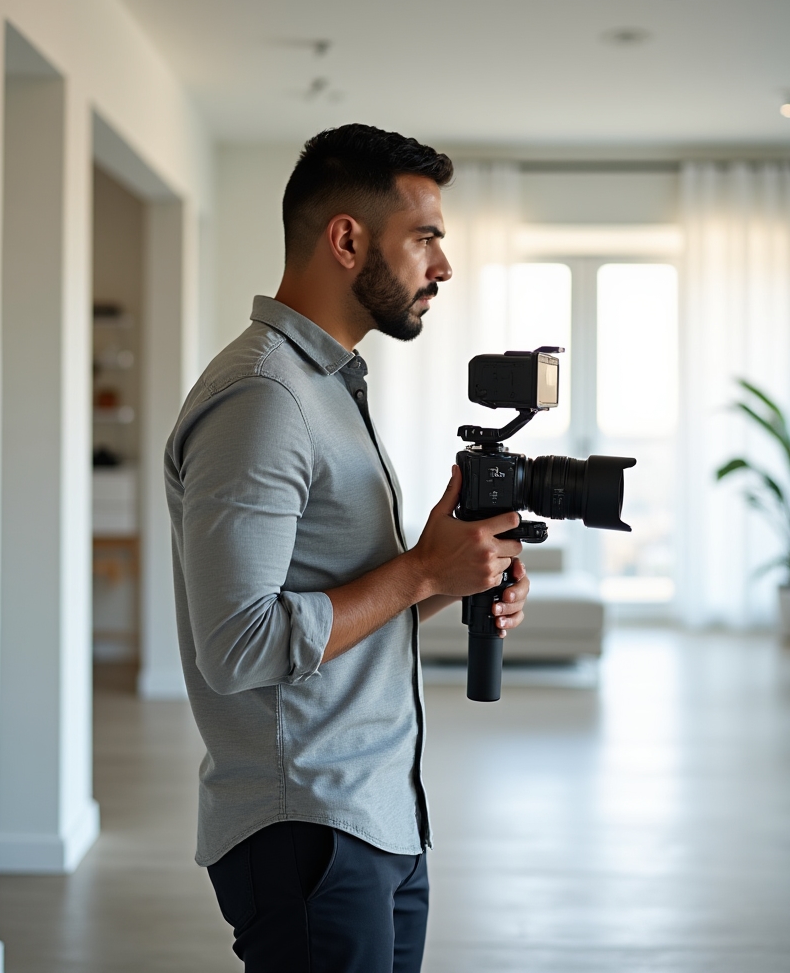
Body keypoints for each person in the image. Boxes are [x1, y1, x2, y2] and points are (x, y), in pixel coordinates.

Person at [164, 124, 531, 973]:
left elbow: (347, 599)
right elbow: (238, 645)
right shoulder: (264, 398)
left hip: (377, 814)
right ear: (346, 239)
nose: (442, 266)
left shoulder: (325, 387)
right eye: (426, 238)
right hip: (308, 830)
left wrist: (453, 575)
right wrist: (416, 570)